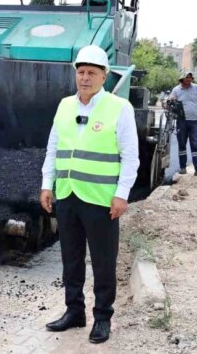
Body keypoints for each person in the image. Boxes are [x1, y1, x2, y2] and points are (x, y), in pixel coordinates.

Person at [39, 45, 139, 344]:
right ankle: (74, 311)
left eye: (91, 73)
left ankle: (103, 318)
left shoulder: (120, 108)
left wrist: (122, 195)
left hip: (101, 198)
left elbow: (130, 155)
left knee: (103, 260)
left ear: (104, 76)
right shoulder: (65, 105)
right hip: (67, 194)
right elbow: (53, 148)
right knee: (71, 257)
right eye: (81, 72)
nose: (85, 78)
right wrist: (47, 184)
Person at [168, 71, 197, 177]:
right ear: (182, 79)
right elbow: (170, 103)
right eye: (187, 78)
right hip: (181, 121)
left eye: (190, 78)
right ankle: (182, 168)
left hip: (194, 121)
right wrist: (171, 101)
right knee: (182, 144)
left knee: (195, 144)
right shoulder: (176, 90)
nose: (189, 79)